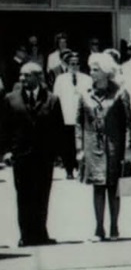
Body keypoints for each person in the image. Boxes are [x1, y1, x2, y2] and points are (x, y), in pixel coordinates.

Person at [1, 62, 60, 246]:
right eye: (21, 75)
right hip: (21, 155)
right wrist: (5, 152)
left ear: (38, 77)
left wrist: (59, 155)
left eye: (27, 76)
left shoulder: (52, 99)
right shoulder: (11, 99)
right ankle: (26, 235)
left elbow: (58, 130)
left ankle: (41, 233)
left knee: (42, 195)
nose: (22, 79)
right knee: (24, 195)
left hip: (44, 156)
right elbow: (4, 128)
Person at [77, 53, 131, 241]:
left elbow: (128, 123)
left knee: (113, 186)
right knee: (98, 187)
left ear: (105, 72)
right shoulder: (85, 93)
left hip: (114, 146)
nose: (91, 73)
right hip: (93, 146)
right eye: (91, 69)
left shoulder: (120, 92)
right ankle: (99, 228)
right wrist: (79, 148)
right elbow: (79, 123)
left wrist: (128, 149)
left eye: (95, 69)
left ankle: (114, 227)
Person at [52, 52, 91, 180]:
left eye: (77, 64)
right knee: (67, 145)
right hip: (66, 116)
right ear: (67, 65)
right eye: (72, 64)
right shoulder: (60, 79)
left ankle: (80, 168)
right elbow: (56, 98)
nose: (74, 66)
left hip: (81, 117)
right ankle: (69, 169)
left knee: (81, 144)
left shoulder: (87, 79)